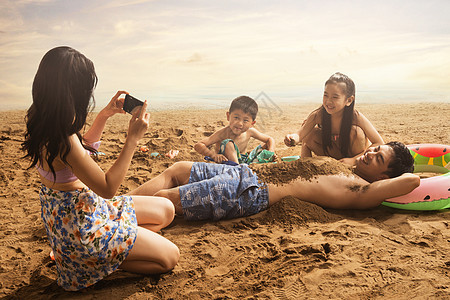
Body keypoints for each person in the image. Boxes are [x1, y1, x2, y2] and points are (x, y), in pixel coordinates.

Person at [21, 46, 179, 291]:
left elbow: (79, 153)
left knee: (166, 210)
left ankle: (107, 249)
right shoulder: (63, 138)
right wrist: (132, 140)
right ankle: (93, 263)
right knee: (169, 257)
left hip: (80, 211)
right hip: (83, 228)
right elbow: (107, 188)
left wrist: (104, 115)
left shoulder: (42, 118)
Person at [130, 142, 419, 221]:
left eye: (378, 158)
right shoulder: (347, 164)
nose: (370, 153)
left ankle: (110, 218)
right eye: (374, 149)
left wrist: (412, 160)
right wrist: (382, 150)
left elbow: (412, 180)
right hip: (245, 172)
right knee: (178, 168)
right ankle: (111, 205)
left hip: (249, 191)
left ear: (383, 176)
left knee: (169, 197)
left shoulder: (362, 190)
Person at [284, 72, 384, 164]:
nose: (328, 101)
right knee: (309, 133)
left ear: (349, 100)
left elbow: (379, 142)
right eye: (326, 95)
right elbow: (300, 134)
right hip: (330, 154)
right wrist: (292, 138)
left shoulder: (356, 117)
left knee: (356, 132)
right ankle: (305, 166)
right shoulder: (318, 115)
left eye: (335, 97)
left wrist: (354, 160)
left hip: (353, 157)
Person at [194, 96, 276, 164]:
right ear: (228, 116)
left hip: (245, 162)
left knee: (265, 146)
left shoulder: (250, 132)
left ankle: (244, 168)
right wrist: (213, 155)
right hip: (226, 163)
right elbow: (198, 145)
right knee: (228, 143)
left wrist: (271, 153)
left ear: (252, 123)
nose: (240, 123)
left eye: (245, 120)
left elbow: (270, 139)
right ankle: (238, 169)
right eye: (236, 117)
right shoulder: (223, 133)